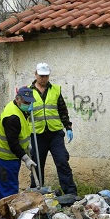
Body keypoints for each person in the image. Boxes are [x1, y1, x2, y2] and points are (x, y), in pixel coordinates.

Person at [28, 62, 78, 195]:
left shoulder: (55, 90)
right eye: (41, 76)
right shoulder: (28, 91)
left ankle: (70, 192)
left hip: (55, 133)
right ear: (35, 74)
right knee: (37, 164)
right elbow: (22, 113)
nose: (43, 79)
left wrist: (68, 127)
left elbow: (62, 110)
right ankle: (36, 192)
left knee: (62, 161)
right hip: (37, 134)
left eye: (46, 76)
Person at [0, 87, 37, 199]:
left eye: (30, 102)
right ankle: (7, 214)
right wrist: (26, 158)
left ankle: (9, 212)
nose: (28, 104)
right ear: (17, 99)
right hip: (5, 158)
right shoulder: (12, 117)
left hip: (12, 157)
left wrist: (27, 145)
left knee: (11, 186)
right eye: (25, 102)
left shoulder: (19, 110)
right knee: (9, 190)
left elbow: (22, 131)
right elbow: (13, 143)